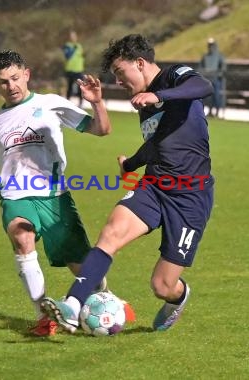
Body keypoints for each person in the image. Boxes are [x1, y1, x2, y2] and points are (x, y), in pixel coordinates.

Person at [41, 34, 214, 333]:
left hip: (190, 196)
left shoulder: (175, 77)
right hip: (155, 186)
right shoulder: (144, 104)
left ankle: (178, 298)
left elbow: (204, 87)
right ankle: (72, 304)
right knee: (111, 233)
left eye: (121, 73)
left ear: (140, 63)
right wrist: (132, 164)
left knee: (162, 285)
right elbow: (156, 143)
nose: (119, 82)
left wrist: (160, 96)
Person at [0, 50, 121, 336]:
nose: (11, 86)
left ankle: (104, 299)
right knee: (22, 236)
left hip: (55, 198)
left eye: (15, 78)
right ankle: (45, 317)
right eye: (3, 82)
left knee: (85, 271)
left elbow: (101, 130)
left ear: (27, 74)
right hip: (15, 196)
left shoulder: (51, 104)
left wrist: (98, 103)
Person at [199, 37, 226, 117]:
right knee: (208, 98)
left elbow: (223, 67)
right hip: (207, 80)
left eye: (212, 45)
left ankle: (217, 112)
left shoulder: (219, 56)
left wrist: (219, 75)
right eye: (209, 45)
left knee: (217, 96)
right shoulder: (205, 56)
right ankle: (210, 111)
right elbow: (201, 67)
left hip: (216, 79)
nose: (210, 47)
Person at [62, 30, 85, 106]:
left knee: (80, 87)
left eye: (74, 36)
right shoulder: (67, 46)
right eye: (71, 36)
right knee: (70, 87)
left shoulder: (79, 46)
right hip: (70, 70)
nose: (73, 37)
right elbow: (67, 56)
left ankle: (80, 104)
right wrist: (73, 49)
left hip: (79, 70)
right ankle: (67, 103)